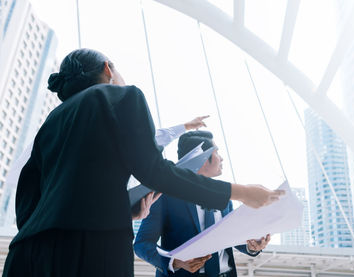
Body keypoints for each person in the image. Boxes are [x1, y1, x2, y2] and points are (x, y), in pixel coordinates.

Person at [2, 48, 283, 277]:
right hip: (89, 251)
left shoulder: (50, 124)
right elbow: (155, 170)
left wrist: (123, 209)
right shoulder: (120, 96)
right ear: (108, 69)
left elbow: (28, 207)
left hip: (26, 254)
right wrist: (242, 192)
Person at [135, 131, 271, 277]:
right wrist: (174, 261)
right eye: (217, 153)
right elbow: (142, 244)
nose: (222, 158)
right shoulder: (164, 197)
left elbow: (229, 237)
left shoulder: (225, 199)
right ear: (204, 158)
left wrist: (252, 246)